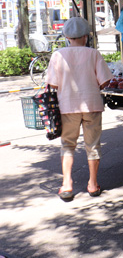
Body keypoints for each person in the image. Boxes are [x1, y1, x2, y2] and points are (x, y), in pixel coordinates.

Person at [46, 17, 113, 202]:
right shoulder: (93, 54)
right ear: (86, 36)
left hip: (67, 106)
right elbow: (106, 81)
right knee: (93, 146)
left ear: (66, 37)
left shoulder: (58, 55)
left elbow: (52, 83)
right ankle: (92, 184)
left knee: (67, 145)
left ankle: (67, 184)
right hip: (92, 105)